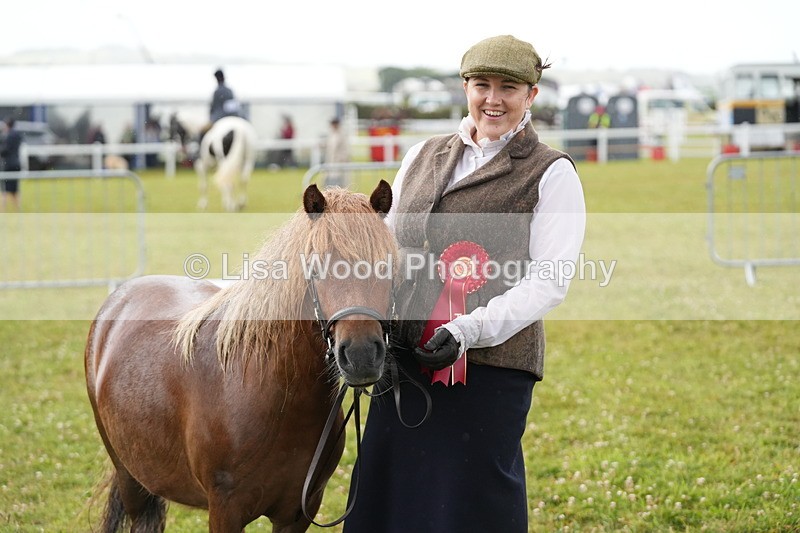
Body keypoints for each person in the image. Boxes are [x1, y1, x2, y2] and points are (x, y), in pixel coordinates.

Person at [343, 35, 586, 532]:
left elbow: (550, 280)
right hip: (406, 361)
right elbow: (387, 250)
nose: (492, 99)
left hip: (491, 366)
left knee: (469, 507)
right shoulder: (421, 155)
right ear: (465, 88)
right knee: (390, 500)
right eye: (482, 85)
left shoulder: (551, 172)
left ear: (531, 95)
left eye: (508, 87)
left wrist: (467, 331)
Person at [0, 116, 23, 211]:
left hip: (8, 164)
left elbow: (5, 150)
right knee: (15, 188)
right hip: (16, 164)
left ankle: (3, 208)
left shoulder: (8, 136)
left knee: (4, 188)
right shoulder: (17, 135)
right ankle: (18, 208)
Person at [324, 117, 350, 187]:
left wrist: (342, 159)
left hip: (340, 162)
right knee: (330, 180)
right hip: (332, 161)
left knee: (341, 182)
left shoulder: (342, 134)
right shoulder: (332, 134)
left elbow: (345, 149)